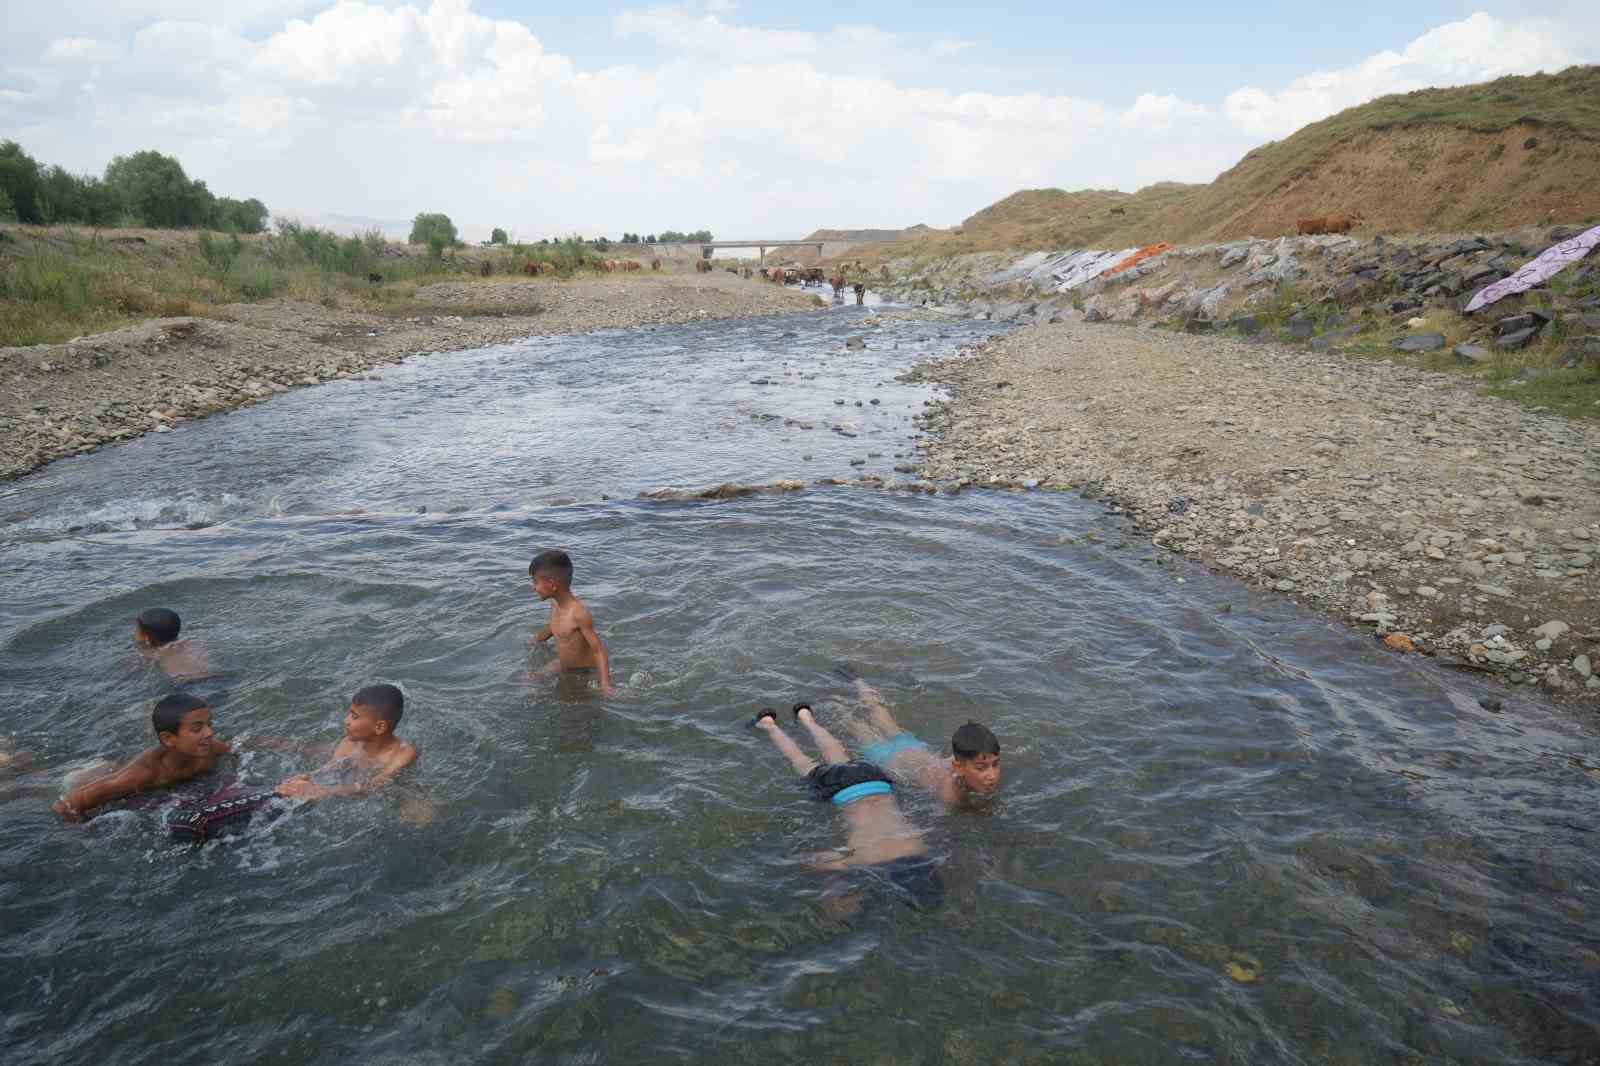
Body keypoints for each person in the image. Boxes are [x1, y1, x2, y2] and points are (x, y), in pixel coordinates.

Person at [752, 702, 944, 910]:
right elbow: (816, 860)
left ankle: (806, 717)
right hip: (844, 792)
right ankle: (769, 724)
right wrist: (807, 862)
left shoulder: (920, 847)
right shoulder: (865, 860)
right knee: (801, 761)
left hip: (876, 781)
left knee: (837, 752)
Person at [834, 667, 1001, 808]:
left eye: (995, 764)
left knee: (880, 713)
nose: (992, 775)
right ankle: (834, 699)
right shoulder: (951, 795)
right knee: (853, 723)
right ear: (958, 767)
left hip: (912, 747)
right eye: (981, 768)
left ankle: (857, 681)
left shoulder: (964, 762)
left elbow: (962, 756)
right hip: (886, 757)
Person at [53, 693, 232, 821]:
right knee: (79, 781)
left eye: (210, 724)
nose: (209, 732)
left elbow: (240, 748)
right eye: (197, 728)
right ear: (168, 739)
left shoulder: (211, 750)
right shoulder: (146, 774)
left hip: (122, 773)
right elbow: (67, 804)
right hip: (93, 779)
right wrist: (86, 834)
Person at [276, 684, 417, 800]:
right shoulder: (351, 742)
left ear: (379, 726)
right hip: (357, 779)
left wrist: (323, 792)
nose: (346, 721)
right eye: (349, 713)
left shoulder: (403, 754)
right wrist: (307, 779)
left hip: (398, 793)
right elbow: (331, 767)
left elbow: (374, 787)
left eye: (354, 717)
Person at [529, 550, 614, 697]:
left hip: (583, 672)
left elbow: (598, 651)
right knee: (529, 680)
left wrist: (606, 686)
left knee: (569, 705)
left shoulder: (578, 613)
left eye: (535, 582)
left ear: (551, 584)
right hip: (563, 663)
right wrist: (537, 639)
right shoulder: (555, 605)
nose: (533, 587)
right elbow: (554, 626)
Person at [133, 607, 211, 680]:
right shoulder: (191, 643)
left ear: (147, 639)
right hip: (210, 677)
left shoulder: (147, 655)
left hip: (184, 684)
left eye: (137, 631)